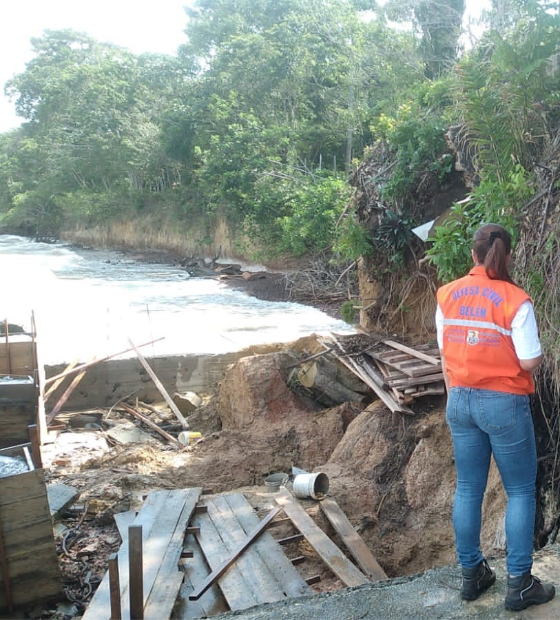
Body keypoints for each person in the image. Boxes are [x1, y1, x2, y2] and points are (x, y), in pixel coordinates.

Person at [435, 223, 555, 611]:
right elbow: (529, 359)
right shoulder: (515, 300)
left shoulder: (447, 294)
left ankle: (473, 576)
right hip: (503, 402)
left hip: (459, 400)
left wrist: (456, 391)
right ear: (508, 255)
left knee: (468, 487)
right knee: (519, 490)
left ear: (473, 255)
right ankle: (519, 584)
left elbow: (444, 350)